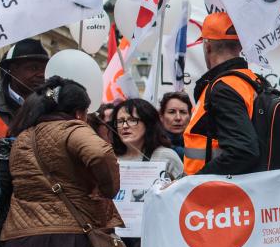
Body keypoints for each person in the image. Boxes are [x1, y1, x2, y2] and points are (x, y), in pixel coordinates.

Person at [1, 77, 123, 247]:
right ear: (79, 113)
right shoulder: (71, 128)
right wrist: (108, 189)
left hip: (21, 237)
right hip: (66, 237)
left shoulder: (22, 137)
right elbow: (100, 153)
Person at [183, 12, 264, 176]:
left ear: (207, 46)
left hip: (215, 195)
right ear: (240, 47)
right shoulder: (255, 82)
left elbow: (243, 151)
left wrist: (192, 183)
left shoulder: (223, 88)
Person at [0, 38, 50, 247]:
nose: (41, 74)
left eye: (45, 68)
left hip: (35, 211)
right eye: (33, 67)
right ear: (11, 70)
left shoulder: (52, 107)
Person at [111, 98, 184, 179]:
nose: (124, 126)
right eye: (120, 121)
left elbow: (184, 190)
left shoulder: (166, 156)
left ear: (148, 123)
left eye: (132, 120)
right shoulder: (111, 158)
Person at [159, 92, 192, 158]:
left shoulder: (201, 144)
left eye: (183, 112)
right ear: (161, 116)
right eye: (172, 112)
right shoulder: (148, 145)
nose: (178, 118)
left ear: (190, 116)